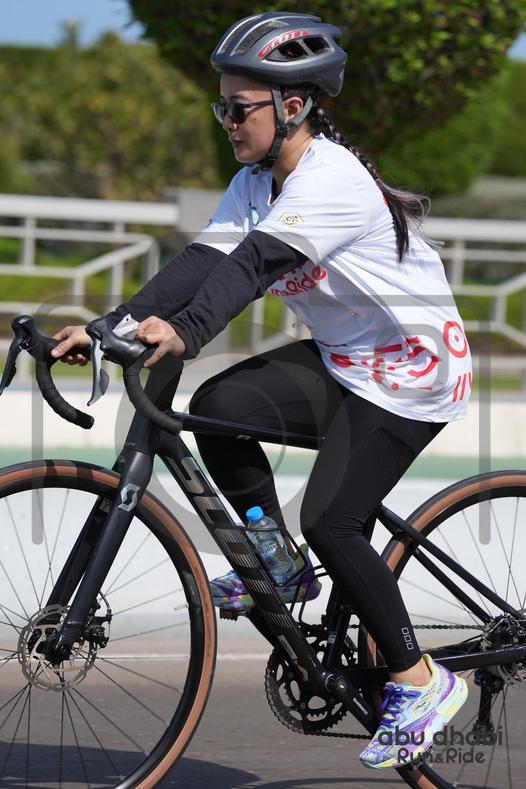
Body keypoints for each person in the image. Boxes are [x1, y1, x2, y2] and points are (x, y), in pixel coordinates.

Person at [51, 12, 471, 770]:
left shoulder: (330, 179)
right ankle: (278, 564)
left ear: (293, 105)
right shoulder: (255, 181)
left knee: (333, 521)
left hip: (414, 371)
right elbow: (199, 265)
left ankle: (420, 679)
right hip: (347, 359)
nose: (227, 123)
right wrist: (108, 324)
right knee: (219, 408)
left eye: (238, 108)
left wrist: (186, 333)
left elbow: (252, 268)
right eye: (221, 107)